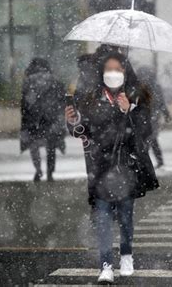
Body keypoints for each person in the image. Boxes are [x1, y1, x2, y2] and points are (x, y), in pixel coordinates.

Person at [65, 52, 158, 283]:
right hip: (100, 168)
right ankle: (105, 265)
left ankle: (126, 255)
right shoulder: (91, 99)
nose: (113, 74)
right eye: (109, 69)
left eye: (118, 69)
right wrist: (73, 122)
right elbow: (82, 133)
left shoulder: (136, 96)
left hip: (126, 168)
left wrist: (129, 110)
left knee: (126, 217)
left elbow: (145, 132)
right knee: (103, 219)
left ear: (125, 73)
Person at [20, 58, 66, 182]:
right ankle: (50, 173)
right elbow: (61, 101)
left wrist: (25, 121)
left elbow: (25, 104)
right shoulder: (55, 81)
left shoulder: (28, 82)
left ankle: (38, 170)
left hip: (33, 119)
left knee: (34, 146)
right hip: (51, 119)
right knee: (51, 147)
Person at [137, 66, 172, 169]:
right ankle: (158, 161)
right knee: (152, 139)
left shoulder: (138, 87)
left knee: (148, 140)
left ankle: (144, 162)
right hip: (152, 117)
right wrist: (166, 114)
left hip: (145, 117)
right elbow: (161, 102)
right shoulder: (154, 86)